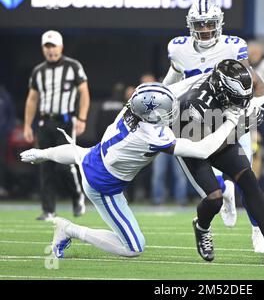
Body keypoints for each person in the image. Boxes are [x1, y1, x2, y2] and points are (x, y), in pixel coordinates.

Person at [20, 82, 243, 259]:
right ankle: (69, 230)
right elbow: (203, 150)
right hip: (103, 187)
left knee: (85, 154)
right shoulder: (152, 134)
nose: (170, 111)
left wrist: (44, 153)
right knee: (133, 247)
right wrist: (231, 121)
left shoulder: (131, 108)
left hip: (95, 157)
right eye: (164, 110)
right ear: (151, 114)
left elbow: (80, 153)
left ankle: (223, 188)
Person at [163, 0, 264, 253]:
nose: (205, 30)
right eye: (199, 25)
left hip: (231, 118)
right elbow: (172, 80)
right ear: (191, 25)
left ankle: (257, 231)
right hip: (196, 124)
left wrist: (250, 111)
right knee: (214, 185)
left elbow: (253, 83)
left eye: (210, 24)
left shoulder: (233, 47)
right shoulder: (179, 49)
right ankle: (226, 195)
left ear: (219, 23)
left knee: (247, 177)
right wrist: (156, 95)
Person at [176, 59, 264, 263]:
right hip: (192, 143)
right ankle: (202, 226)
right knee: (214, 198)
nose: (242, 103)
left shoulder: (230, 87)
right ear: (220, 91)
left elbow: (260, 90)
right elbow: (205, 149)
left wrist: (250, 72)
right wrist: (241, 127)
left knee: (249, 181)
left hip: (218, 131)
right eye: (236, 98)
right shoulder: (194, 104)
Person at [23, 30, 90, 220]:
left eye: (53, 46)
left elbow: (84, 92)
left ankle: (77, 197)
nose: (51, 50)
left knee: (65, 164)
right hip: (45, 121)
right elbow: (32, 99)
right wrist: (28, 125)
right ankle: (49, 210)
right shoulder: (38, 71)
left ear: (61, 47)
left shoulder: (73, 66)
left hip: (66, 121)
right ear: (43, 49)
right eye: (47, 46)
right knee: (45, 165)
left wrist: (82, 118)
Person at [0, 85, 16, 197]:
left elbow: (11, 115)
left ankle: (1, 186)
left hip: (2, 134)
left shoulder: (4, 96)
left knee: (1, 161)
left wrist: (7, 129)